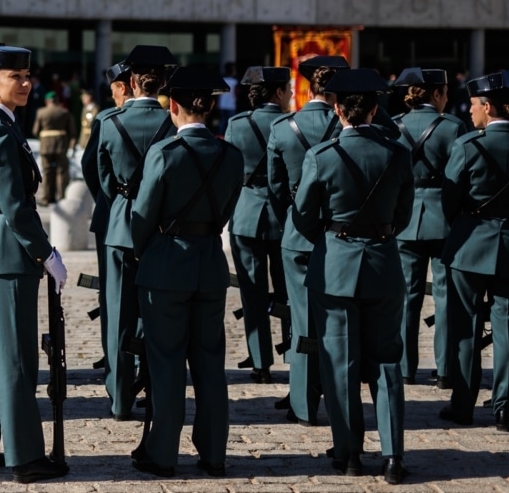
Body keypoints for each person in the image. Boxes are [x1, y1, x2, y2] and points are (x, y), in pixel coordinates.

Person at [293, 67, 414, 484]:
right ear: (376, 109)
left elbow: (304, 216)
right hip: (382, 260)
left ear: (338, 110)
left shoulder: (321, 156)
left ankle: (349, 453)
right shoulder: (398, 153)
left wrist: (333, 239)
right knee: (386, 362)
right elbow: (403, 214)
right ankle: (393, 455)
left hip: (336, 266)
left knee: (340, 364)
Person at [0, 45, 68, 484]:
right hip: (6, 249)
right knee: (16, 358)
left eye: (27, 75)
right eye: (14, 76)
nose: (25, 83)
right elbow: (17, 208)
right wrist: (47, 254)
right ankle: (24, 456)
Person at [131, 66, 242, 478]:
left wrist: (147, 252)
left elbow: (142, 216)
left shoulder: (164, 153)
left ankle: (162, 454)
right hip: (210, 263)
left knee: (166, 363)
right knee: (211, 363)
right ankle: (214, 453)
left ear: (172, 105)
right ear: (211, 106)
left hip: (166, 264)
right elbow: (227, 210)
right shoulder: (231, 155)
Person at [438, 70, 509, 434]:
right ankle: (506, 407)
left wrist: (468, 223)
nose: (469, 111)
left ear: (488, 107)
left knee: (464, 326)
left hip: (469, 243)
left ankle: (463, 404)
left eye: (473, 105)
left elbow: (449, 201)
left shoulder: (468, 146)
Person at [265, 53, 348, 425]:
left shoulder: (284, 127)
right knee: (336, 320)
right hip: (339, 232)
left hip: (298, 232)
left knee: (301, 321)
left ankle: (302, 402)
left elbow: (275, 187)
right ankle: (336, 396)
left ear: (306, 85)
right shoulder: (347, 126)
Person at [97, 45, 177, 421]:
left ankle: (119, 398)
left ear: (129, 82)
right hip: (162, 225)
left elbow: (102, 179)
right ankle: (156, 388)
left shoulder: (108, 122)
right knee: (159, 314)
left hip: (121, 224)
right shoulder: (173, 122)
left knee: (118, 315)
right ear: (162, 84)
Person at [390, 68, 466, 388]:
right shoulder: (453, 126)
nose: (447, 98)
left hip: (406, 219)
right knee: (447, 297)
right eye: (445, 92)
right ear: (435, 94)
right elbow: (464, 173)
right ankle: (446, 370)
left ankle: (406, 368)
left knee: (406, 297)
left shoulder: (394, 125)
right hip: (445, 217)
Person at [225, 66, 292, 384]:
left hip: (247, 214)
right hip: (285, 217)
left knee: (252, 292)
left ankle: (261, 362)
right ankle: (294, 354)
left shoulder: (236, 124)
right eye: (288, 89)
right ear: (278, 93)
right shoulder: (291, 124)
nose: (291, 95)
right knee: (288, 293)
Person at [80, 62, 132, 373]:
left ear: (123, 87)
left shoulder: (106, 119)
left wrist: (109, 199)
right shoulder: (166, 118)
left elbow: (91, 166)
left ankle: (113, 354)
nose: (112, 96)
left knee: (113, 292)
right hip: (155, 220)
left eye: (113, 89)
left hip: (113, 215)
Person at [32, 91, 76, 205]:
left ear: (47, 101)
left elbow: (35, 130)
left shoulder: (41, 112)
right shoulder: (64, 112)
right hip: (61, 145)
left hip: (46, 146)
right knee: (62, 172)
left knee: (47, 172)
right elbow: (72, 131)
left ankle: (47, 197)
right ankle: (62, 197)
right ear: (57, 100)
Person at [217, 62, 238, 133]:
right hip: (231, 104)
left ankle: (220, 135)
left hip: (222, 104)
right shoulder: (234, 81)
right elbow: (235, 93)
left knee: (222, 121)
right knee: (231, 122)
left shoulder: (222, 79)